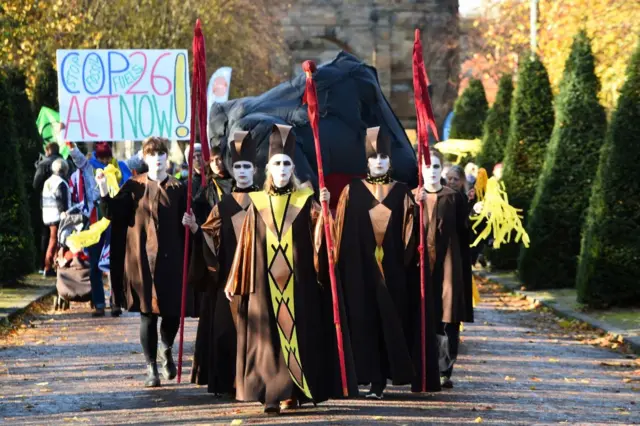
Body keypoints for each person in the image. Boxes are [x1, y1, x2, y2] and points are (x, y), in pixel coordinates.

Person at [223, 124, 358, 414]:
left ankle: (291, 392)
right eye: (277, 164)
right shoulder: (257, 204)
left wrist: (324, 213)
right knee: (268, 340)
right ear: (268, 168)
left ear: (293, 167)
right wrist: (236, 279)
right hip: (264, 285)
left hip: (299, 286)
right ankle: (272, 392)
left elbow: (321, 239)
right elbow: (245, 246)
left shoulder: (305, 201)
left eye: (286, 163)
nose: (282, 168)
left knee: (296, 335)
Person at [334, 126, 439, 399]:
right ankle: (367, 378)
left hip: (393, 274)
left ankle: (384, 379)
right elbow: (339, 232)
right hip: (360, 274)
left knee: (388, 323)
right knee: (363, 322)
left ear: (390, 161)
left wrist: (421, 208)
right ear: (366, 161)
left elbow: (413, 237)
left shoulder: (404, 192)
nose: (378, 162)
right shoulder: (351, 191)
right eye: (373, 158)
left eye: (383, 158)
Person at [96, 137, 198, 387]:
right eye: (152, 154)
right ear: (145, 157)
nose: (158, 158)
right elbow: (111, 212)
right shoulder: (133, 186)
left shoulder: (179, 188)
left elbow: (194, 218)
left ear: (166, 157)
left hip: (172, 260)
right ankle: (151, 366)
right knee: (147, 314)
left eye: (161, 153)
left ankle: (166, 348)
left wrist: (191, 222)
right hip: (141, 260)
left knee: (172, 313)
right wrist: (101, 189)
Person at [183, 131, 260, 396]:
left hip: (259, 278)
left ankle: (257, 381)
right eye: (237, 166)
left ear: (255, 169)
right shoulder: (223, 205)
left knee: (258, 331)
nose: (241, 171)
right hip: (227, 278)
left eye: (246, 167)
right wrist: (195, 229)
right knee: (225, 331)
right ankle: (228, 382)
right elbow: (209, 236)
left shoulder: (265, 202)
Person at [415, 150, 473, 389]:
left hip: (449, 264)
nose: (432, 171)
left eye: (436, 167)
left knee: (447, 317)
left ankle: (444, 368)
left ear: (441, 170)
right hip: (421, 267)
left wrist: (477, 213)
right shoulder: (413, 197)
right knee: (423, 315)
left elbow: (465, 231)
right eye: (427, 167)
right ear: (420, 169)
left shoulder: (452, 197)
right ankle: (423, 366)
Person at [34, 142, 64, 273]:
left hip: (46, 205)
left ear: (48, 151)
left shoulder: (43, 164)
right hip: (59, 207)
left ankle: (44, 266)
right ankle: (52, 264)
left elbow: (35, 184)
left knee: (46, 236)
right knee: (57, 237)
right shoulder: (63, 163)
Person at [41, 158, 71, 277]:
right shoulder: (60, 183)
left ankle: (52, 266)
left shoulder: (48, 181)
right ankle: (48, 267)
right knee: (54, 241)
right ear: (63, 170)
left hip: (47, 214)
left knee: (53, 240)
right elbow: (60, 199)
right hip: (57, 215)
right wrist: (63, 212)